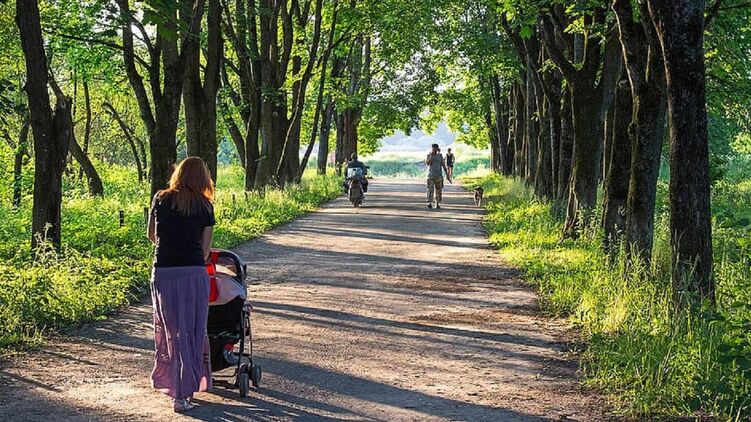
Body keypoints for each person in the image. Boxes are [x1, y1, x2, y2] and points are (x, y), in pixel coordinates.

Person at [147, 156, 215, 413]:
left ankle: (171, 385)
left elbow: (152, 235)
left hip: (164, 272)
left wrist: (171, 247)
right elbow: (206, 250)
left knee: (170, 331)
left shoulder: (160, 198)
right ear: (203, 178)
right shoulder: (205, 206)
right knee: (191, 330)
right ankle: (184, 393)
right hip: (193, 273)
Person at [426, 143, 451, 209]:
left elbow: (443, 165)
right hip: (430, 175)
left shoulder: (440, 156)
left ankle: (437, 203)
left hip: (439, 175)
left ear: (437, 149)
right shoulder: (429, 155)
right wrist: (431, 156)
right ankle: (430, 202)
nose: (434, 150)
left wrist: (447, 175)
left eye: (435, 149)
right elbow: (428, 163)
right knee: (430, 189)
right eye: (433, 148)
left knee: (438, 190)